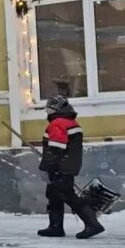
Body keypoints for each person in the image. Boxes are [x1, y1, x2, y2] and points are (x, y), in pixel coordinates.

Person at [38, 95, 104, 239]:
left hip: (59, 167)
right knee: (54, 195)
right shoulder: (71, 122)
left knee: (68, 196)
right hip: (68, 165)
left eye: (48, 108)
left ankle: (92, 224)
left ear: (55, 108)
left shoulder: (57, 123)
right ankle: (55, 227)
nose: (46, 111)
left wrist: (46, 167)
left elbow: (55, 149)